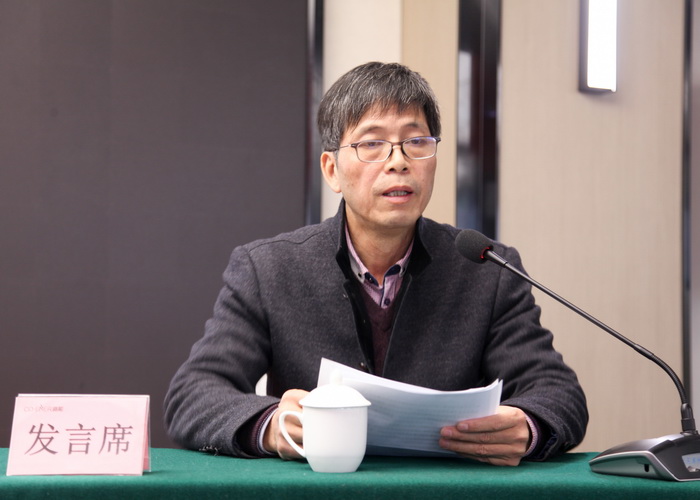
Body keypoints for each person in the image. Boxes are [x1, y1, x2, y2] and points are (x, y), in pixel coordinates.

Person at [164, 62, 588, 466]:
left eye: (416, 142)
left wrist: (527, 427)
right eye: (371, 144)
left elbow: (558, 393)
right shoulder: (269, 269)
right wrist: (272, 425)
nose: (399, 161)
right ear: (332, 170)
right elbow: (193, 394)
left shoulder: (487, 269)